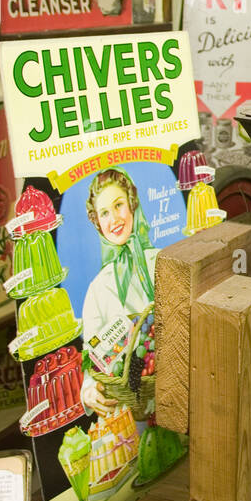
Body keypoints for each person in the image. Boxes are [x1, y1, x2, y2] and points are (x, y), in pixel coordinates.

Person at [80, 169, 158, 415]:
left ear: (132, 204)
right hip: (129, 416)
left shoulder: (163, 263)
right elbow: (91, 356)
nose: (114, 219)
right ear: (97, 222)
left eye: (119, 205)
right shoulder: (97, 289)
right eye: (104, 213)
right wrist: (90, 390)